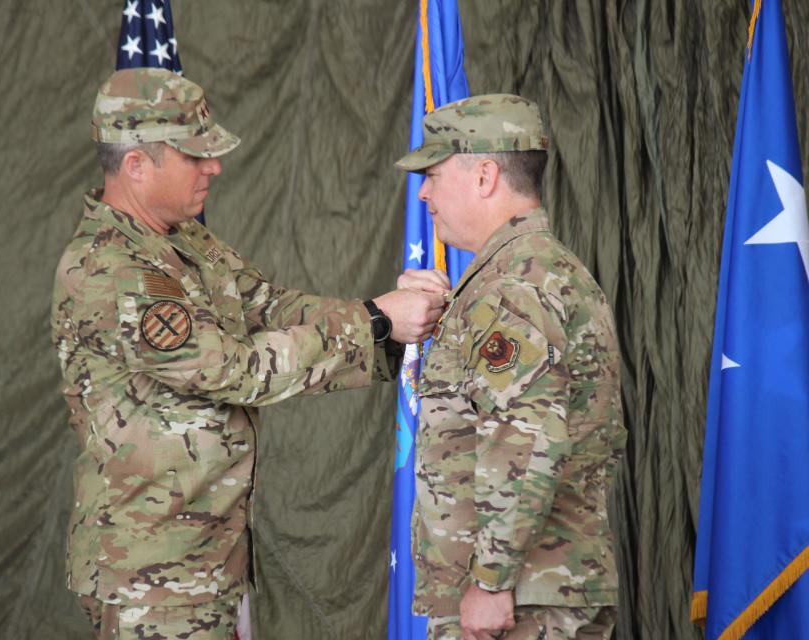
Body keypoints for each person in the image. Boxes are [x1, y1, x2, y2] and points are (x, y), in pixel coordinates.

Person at [50, 67, 447, 640]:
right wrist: (376, 320)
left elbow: (270, 307)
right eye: (194, 156)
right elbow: (233, 370)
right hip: (154, 577)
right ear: (136, 165)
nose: (213, 167)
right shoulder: (110, 271)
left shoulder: (184, 241)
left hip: (210, 558)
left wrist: (387, 328)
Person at [395, 95, 627, 640]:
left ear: (484, 176)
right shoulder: (531, 272)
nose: (423, 192)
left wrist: (493, 580)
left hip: (519, 602)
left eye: (433, 173)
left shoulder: (512, 287)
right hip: (537, 588)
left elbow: (524, 438)